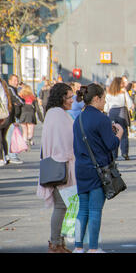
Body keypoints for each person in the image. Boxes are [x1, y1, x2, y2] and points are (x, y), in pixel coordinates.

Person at [72, 83, 124, 253]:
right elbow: (111, 144)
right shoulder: (102, 118)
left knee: (83, 210)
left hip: (81, 168)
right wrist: (119, 133)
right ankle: (93, 248)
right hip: (98, 169)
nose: (105, 102)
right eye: (103, 98)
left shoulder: (78, 118)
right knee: (95, 210)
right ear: (96, 98)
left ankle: (78, 247)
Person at [36, 83, 76, 253]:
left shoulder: (54, 114)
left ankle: (59, 242)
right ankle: (55, 243)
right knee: (62, 206)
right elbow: (65, 142)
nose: (72, 100)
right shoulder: (58, 115)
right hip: (62, 166)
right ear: (61, 98)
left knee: (64, 206)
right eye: (69, 97)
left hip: (59, 164)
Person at [104, 77, 133, 160]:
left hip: (112, 112)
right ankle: (124, 153)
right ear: (119, 84)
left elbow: (106, 107)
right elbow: (130, 103)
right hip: (122, 111)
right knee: (124, 133)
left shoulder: (109, 93)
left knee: (113, 133)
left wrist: (107, 113)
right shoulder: (123, 92)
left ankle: (114, 154)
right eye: (122, 83)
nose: (124, 84)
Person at [5, 74, 24, 165]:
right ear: (10, 81)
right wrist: (20, 102)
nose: (16, 82)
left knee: (9, 136)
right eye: (15, 80)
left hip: (11, 116)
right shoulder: (10, 89)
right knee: (11, 137)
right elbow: (19, 101)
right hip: (12, 117)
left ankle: (8, 155)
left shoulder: (12, 89)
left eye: (17, 80)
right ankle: (12, 155)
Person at [0, 78, 12, 166]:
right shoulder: (6, 90)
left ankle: (1, 158)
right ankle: (6, 156)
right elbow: (4, 99)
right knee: (3, 137)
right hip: (5, 115)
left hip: (2, 114)